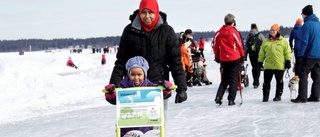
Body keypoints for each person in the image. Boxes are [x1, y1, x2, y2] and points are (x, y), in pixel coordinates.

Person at [108, 0, 187, 104]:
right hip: (133, 87)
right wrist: (114, 85)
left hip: (158, 87)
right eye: (144, 12)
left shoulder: (166, 31)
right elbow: (121, 61)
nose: (147, 16)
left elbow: (175, 62)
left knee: (156, 119)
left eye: (151, 12)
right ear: (140, 12)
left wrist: (181, 88)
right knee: (133, 119)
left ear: (156, 12)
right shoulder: (129, 30)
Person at [104, 56, 173, 136]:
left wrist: (166, 89)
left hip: (145, 126)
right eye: (133, 74)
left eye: (139, 74)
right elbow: (114, 99)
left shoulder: (149, 86)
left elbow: (159, 95)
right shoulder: (123, 87)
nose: (136, 78)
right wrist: (111, 93)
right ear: (128, 74)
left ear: (144, 74)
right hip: (126, 127)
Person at [213, 13, 245, 106]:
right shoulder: (234, 32)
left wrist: (217, 57)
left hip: (224, 59)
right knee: (234, 79)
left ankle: (219, 96)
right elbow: (239, 45)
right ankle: (231, 99)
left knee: (224, 79)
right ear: (233, 22)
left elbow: (215, 46)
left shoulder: (218, 33)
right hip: (234, 58)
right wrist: (242, 56)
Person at [292, 5, 320, 103]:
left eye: (302, 14)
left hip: (310, 54)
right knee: (317, 76)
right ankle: (315, 96)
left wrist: (300, 55)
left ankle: (302, 97)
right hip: (318, 55)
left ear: (305, 14)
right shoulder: (318, 23)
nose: (302, 16)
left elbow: (304, 42)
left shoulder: (307, 25)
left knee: (303, 74)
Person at [258, 24, 292, 102]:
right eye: (271, 30)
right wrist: (260, 62)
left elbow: (287, 52)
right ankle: (265, 96)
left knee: (279, 82)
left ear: (277, 31)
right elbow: (261, 53)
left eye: (274, 30)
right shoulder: (265, 41)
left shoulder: (283, 41)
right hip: (268, 66)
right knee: (266, 82)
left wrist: (288, 61)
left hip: (279, 65)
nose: (272, 32)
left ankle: (278, 96)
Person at [245, 23, 266, 88]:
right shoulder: (260, 35)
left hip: (251, 54)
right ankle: (256, 82)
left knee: (254, 67)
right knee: (258, 67)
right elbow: (265, 44)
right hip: (259, 54)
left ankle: (255, 81)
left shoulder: (248, 36)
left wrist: (245, 55)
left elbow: (246, 47)